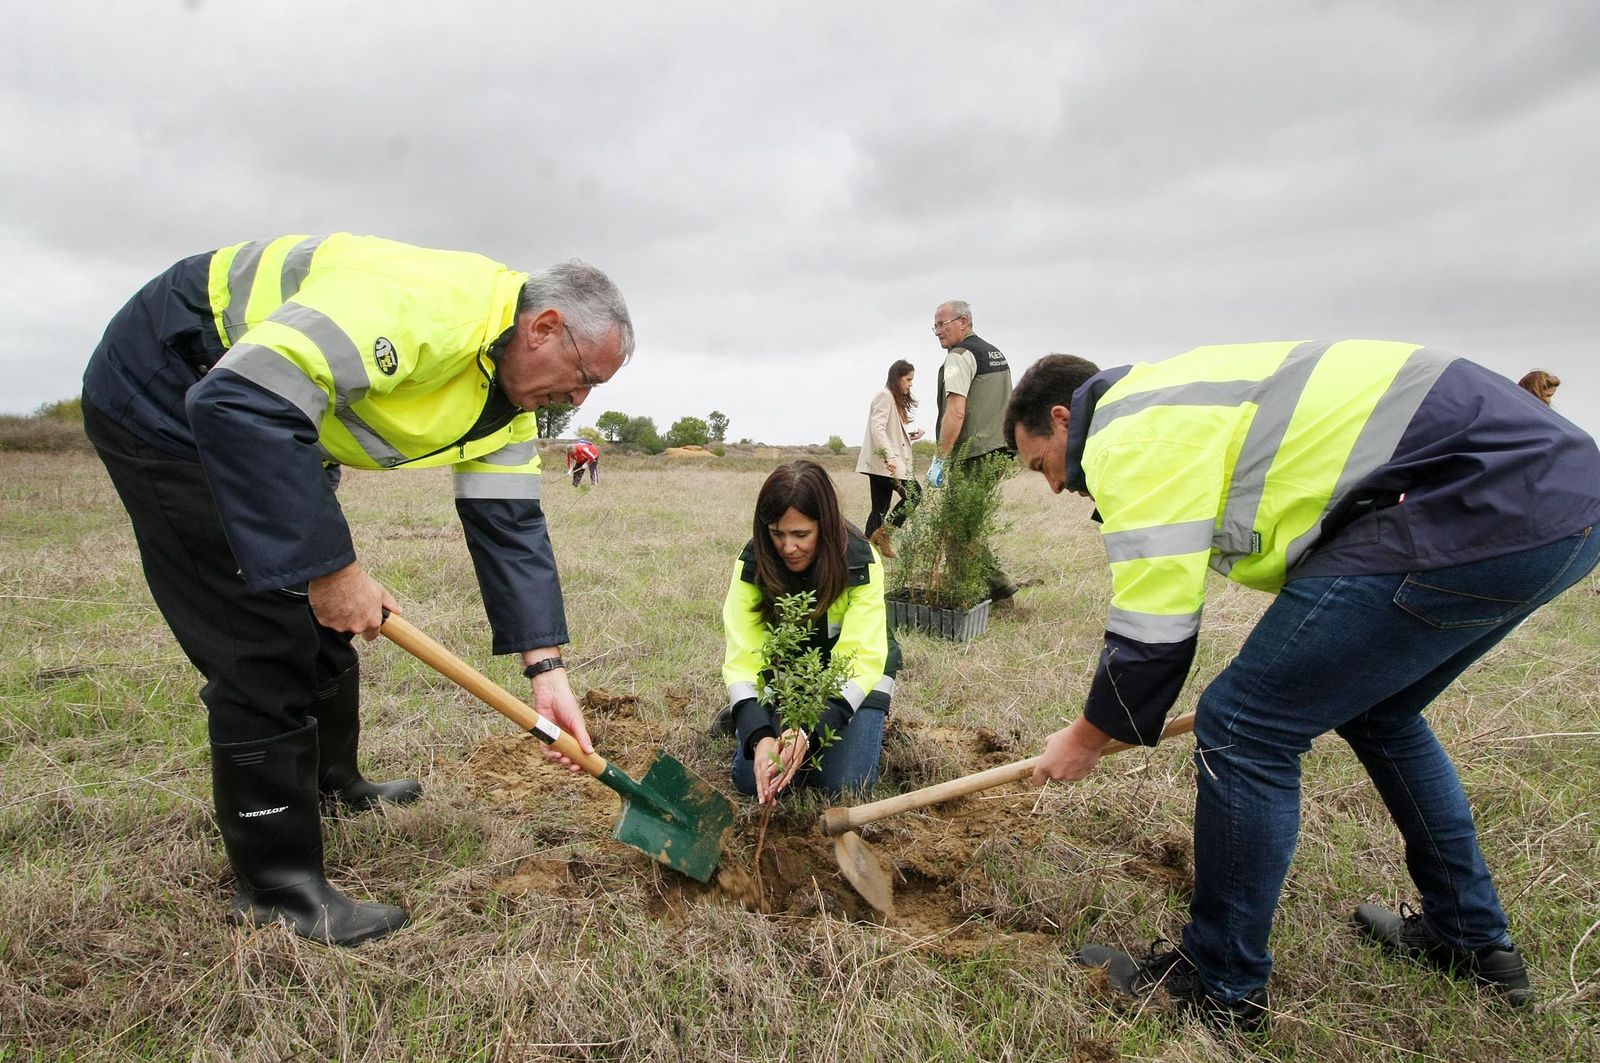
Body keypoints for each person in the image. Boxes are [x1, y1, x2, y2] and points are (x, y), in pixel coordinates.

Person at [1005, 343, 1600, 1031]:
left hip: (1475, 502)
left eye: (1039, 463)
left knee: (1242, 726)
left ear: (1062, 418)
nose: (1052, 484)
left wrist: (1087, 736)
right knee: (1380, 711)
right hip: (1562, 505)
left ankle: (1220, 984)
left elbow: (1153, 627)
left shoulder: (1129, 434)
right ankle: (1470, 937)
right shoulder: (1178, 396)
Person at [81, 233, 634, 947]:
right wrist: (331, 569)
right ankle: (279, 893)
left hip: (277, 422)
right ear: (544, 327)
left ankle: (332, 784)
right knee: (262, 633)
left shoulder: (511, 399)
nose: (580, 398)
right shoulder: (427, 310)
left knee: (323, 620)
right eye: (583, 375)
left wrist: (546, 669)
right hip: (173, 386)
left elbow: (510, 527)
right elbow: (238, 398)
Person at [720, 461, 900, 802]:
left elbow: (860, 660)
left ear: (826, 526)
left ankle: (859, 729)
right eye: (777, 533)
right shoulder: (753, 563)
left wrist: (807, 732)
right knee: (750, 781)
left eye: (801, 534)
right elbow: (745, 659)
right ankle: (747, 719)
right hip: (790, 683)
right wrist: (759, 735)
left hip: (855, 681)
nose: (788, 547)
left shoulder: (860, 560)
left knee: (842, 784)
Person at [929, 300, 1018, 600]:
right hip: (999, 449)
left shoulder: (960, 356)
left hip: (973, 452)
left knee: (957, 526)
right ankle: (988, 586)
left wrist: (940, 458)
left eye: (943, 324)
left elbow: (956, 411)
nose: (938, 331)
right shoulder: (995, 353)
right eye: (935, 325)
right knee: (969, 521)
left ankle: (972, 591)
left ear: (964, 322)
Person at [855, 359, 923, 557]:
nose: (910, 384)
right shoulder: (884, 396)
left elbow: (889, 433)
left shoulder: (891, 397)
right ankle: (885, 535)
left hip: (881, 463)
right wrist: (889, 456)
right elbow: (877, 429)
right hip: (885, 463)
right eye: (908, 379)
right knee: (915, 495)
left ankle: (866, 553)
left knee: (879, 508)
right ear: (897, 377)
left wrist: (910, 436)